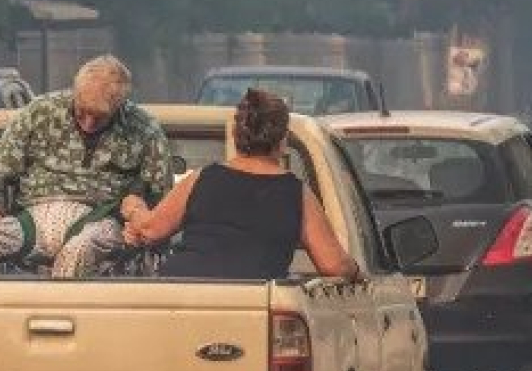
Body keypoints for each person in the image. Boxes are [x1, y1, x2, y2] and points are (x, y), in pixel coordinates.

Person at [0, 55, 173, 278]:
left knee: (78, 251)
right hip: (31, 219)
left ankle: (62, 310)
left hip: (100, 220)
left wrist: (141, 226)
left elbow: (162, 201)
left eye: (99, 117)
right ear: (75, 93)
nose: (88, 123)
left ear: (119, 107)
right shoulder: (40, 113)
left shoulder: (144, 130)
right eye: (83, 111)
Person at [121, 88, 361, 281]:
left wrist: (134, 207)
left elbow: (150, 230)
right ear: (282, 140)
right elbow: (334, 265)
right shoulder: (295, 193)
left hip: (183, 292)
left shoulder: (204, 178)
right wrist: (357, 271)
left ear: (236, 135)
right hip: (254, 301)